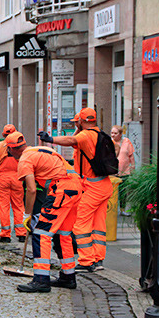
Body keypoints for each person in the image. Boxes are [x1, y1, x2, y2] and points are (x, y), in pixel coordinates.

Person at [5, 131, 82, 293]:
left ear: (12, 150)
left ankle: (41, 280)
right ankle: (68, 276)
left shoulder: (25, 160)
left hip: (62, 190)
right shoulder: (39, 150)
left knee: (41, 234)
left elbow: (31, 190)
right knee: (63, 234)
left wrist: (27, 214)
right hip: (75, 187)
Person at [39, 107, 112, 272]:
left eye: (77, 122)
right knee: (98, 224)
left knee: (80, 223)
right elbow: (76, 140)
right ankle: (98, 258)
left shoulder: (85, 136)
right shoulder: (98, 134)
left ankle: (86, 261)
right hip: (104, 184)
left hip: (92, 185)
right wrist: (79, 127)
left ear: (82, 120)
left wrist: (50, 139)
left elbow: (71, 141)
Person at [0, 124, 26, 243]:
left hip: (2, 178)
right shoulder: (21, 147)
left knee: (4, 206)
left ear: (3, 135)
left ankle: (5, 234)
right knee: (18, 206)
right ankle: (21, 233)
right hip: (18, 177)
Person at [111, 125, 135, 216]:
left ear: (120, 134)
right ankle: (112, 209)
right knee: (112, 191)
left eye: (115, 133)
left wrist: (132, 166)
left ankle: (122, 209)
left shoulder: (126, 142)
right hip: (112, 172)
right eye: (112, 133)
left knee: (123, 191)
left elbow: (131, 155)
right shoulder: (109, 142)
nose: (113, 135)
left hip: (125, 170)